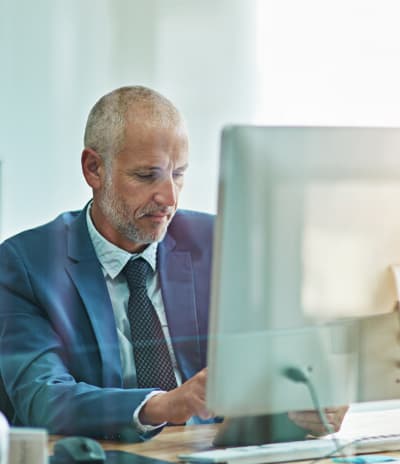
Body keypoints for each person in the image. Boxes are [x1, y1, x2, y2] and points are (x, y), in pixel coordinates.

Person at [0, 86, 347, 441]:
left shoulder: (218, 242)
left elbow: (277, 368)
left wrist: (310, 401)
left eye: (178, 174)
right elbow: (42, 398)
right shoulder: (26, 264)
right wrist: (162, 406)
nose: (169, 198)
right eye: (147, 175)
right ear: (94, 169)